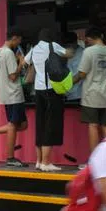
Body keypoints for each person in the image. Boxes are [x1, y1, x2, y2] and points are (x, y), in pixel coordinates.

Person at [0, 29, 28, 167]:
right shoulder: (9, 53)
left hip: (5, 93)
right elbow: (13, 76)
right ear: (14, 38)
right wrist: (21, 62)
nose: (19, 43)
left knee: (22, 125)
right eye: (18, 41)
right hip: (14, 94)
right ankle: (10, 157)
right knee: (13, 125)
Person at [28, 28, 67, 171]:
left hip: (38, 91)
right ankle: (46, 162)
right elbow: (68, 54)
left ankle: (38, 161)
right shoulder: (53, 46)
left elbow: (25, 61)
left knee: (40, 124)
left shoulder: (33, 49)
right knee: (51, 124)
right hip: (52, 90)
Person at [76, 28, 106, 154]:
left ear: (88, 38)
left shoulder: (88, 51)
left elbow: (82, 73)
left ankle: (94, 159)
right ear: (101, 35)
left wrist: (69, 82)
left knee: (93, 125)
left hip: (91, 93)